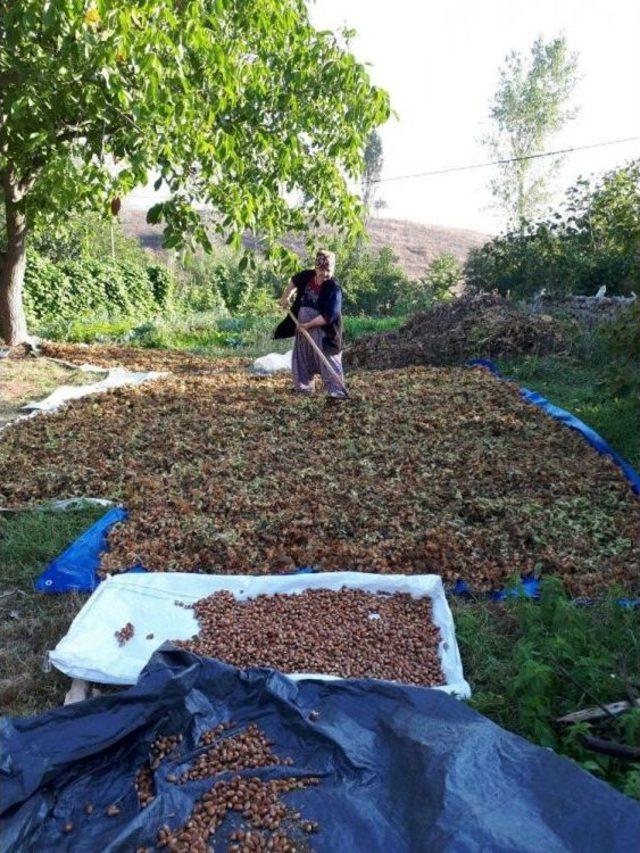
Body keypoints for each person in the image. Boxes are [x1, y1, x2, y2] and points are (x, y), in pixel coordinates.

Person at [274, 249, 348, 399]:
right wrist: (285, 297)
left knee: (328, 359)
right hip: (303, 329)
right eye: (322, 270)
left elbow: (330, 315)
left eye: (329, 270)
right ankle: (304, 388)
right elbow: (294, 282)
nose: (325, 274)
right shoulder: (307, 276)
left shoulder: (334, 287)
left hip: (323, 330)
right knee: (302, 357)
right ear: (316, 268)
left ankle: (336, 391)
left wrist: (308, 325)